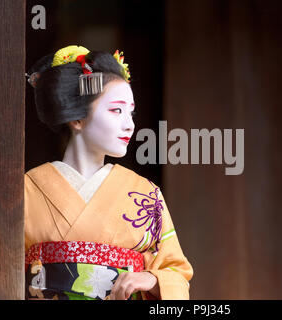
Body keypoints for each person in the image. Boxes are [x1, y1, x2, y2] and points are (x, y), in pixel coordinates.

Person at [24, 45, 193, 300]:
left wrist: (153, 279)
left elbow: (177, 272)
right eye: (116, 110)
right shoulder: (25, 190)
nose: (130, 123)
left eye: (131, 112)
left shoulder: (146, 194)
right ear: (76, 119)